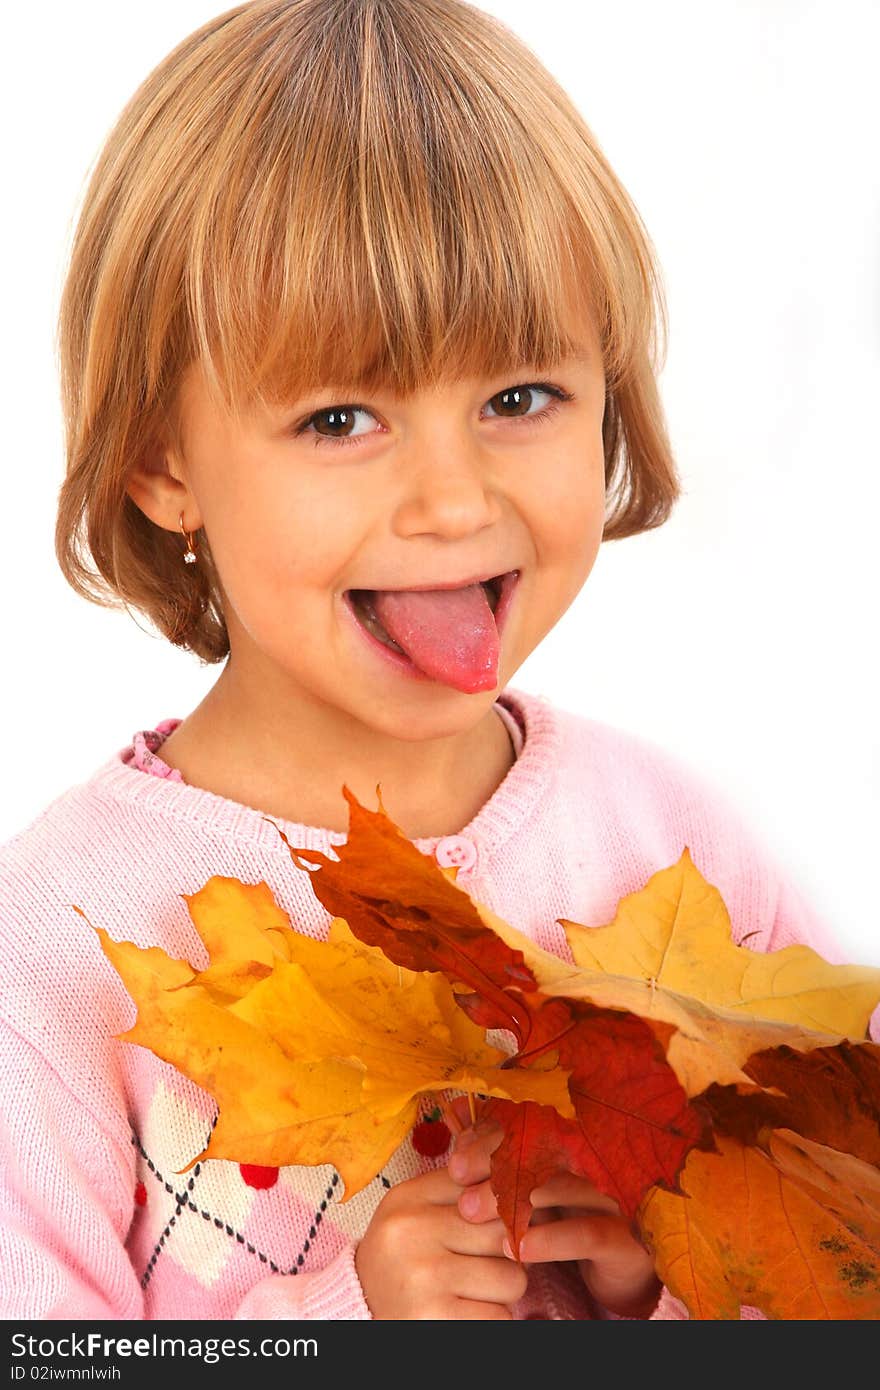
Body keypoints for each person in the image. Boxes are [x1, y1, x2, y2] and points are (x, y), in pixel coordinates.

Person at [1, 0, 874, 1322]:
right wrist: (350, 1320)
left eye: (519, 399)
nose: (455, 501)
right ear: (162, 465)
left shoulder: (678, 855)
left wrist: (678, 1272)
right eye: (342, 416)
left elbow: (846, 1251)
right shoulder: (62, 942)